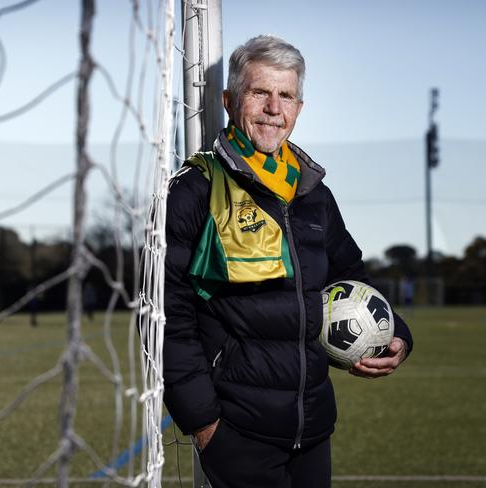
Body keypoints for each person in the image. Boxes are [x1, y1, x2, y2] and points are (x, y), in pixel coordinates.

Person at [163, 35, 413, 488]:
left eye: (287, 95)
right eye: (260, 93)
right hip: (237, 431)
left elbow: (351, 275)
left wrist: (396, 333)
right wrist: (204, 424)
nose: (274, 108)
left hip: (313, 427)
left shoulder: (313, 192)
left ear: (299, 106)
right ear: (229, 100)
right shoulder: (194, 190)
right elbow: (170, 317)